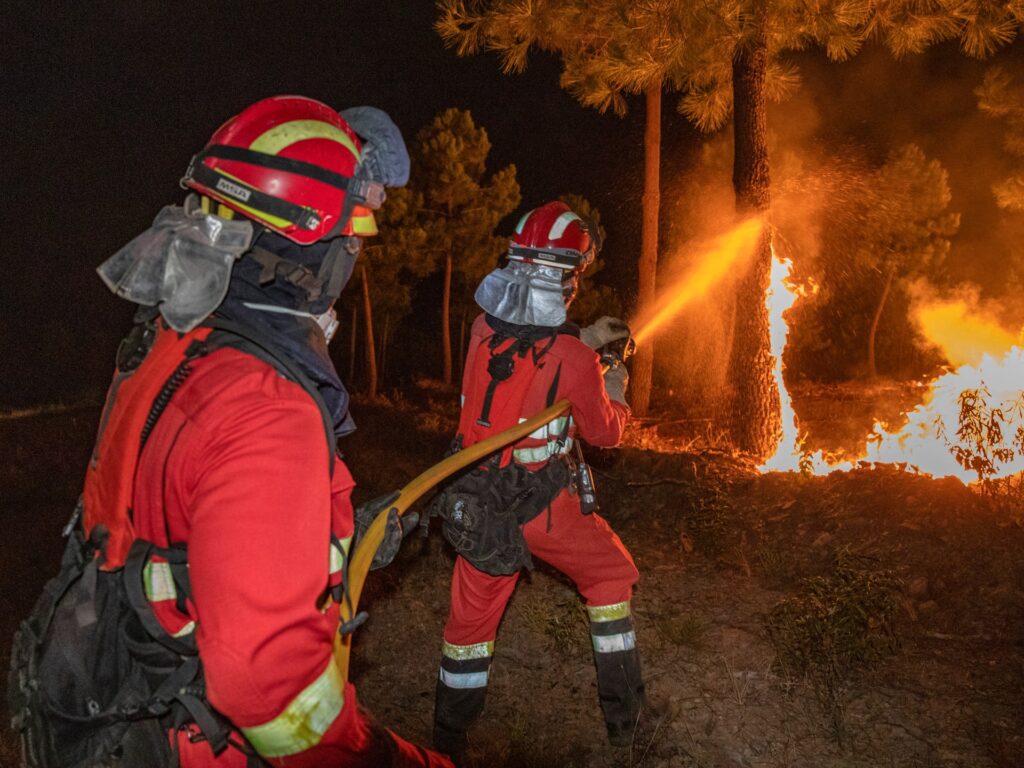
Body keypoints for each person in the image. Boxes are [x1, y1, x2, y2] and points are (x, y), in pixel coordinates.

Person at [9, 96, 451, 768]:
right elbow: (265, 689)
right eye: (354, 236)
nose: (355, 252)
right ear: (316, 244)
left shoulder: (170, 341)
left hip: (110, 693)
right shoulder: (269, 405)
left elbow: (181, 530)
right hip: (194, 739)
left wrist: (334, 540)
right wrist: (378, 757)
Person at [430, 200, 646, 758]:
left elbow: (531, 348)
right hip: (544, 511)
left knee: (469, 627)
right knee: (609, 579)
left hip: (477, 503)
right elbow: (604, 434)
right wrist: (615, 381)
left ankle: (448, 742)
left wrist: (585, 337)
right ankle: (627, 726)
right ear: (568, 280)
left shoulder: (481, 328)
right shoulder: (575, 359)